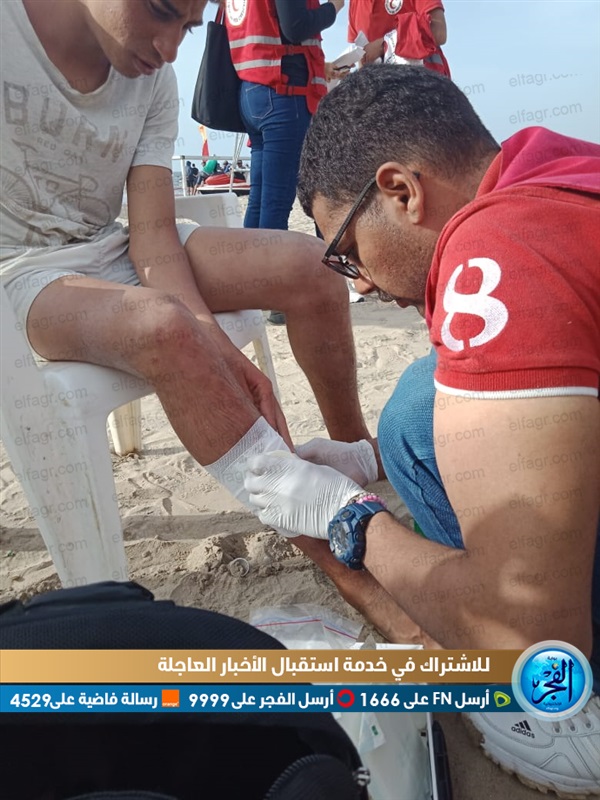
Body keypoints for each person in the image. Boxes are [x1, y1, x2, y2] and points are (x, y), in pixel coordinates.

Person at [244, 65, 600, 798]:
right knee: (415, 412)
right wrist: (367, 458)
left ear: (401, 192)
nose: (359, 285)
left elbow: (534, 641)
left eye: (346, 252)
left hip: (541, 649)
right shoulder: (557, 175)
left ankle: (564, 723)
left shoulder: (496, 251)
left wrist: (345, 519)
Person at [1, 0, 379, 599]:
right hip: (20, 269)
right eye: (160, 12)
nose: (171, 47)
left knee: (313, 267)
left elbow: (152, 236)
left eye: (188, 27)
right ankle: (341, 555)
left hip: (115, 243)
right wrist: (199, 338)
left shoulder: (153, 77)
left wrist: (219, 346)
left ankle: (360, 463)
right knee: (163, 325)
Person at [225, 0, 344, 325]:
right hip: (284, 93)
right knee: (276, 203)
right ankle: (276, 297)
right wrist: (334, 8)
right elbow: (295, 26)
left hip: (252, 92)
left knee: (260, 199)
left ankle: (252, 287)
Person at [355, 0, 450, 77]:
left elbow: (439, 33)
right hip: (379, 87)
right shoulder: (355, 4)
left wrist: (384, 44)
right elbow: (361, 53)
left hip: (423, 83)